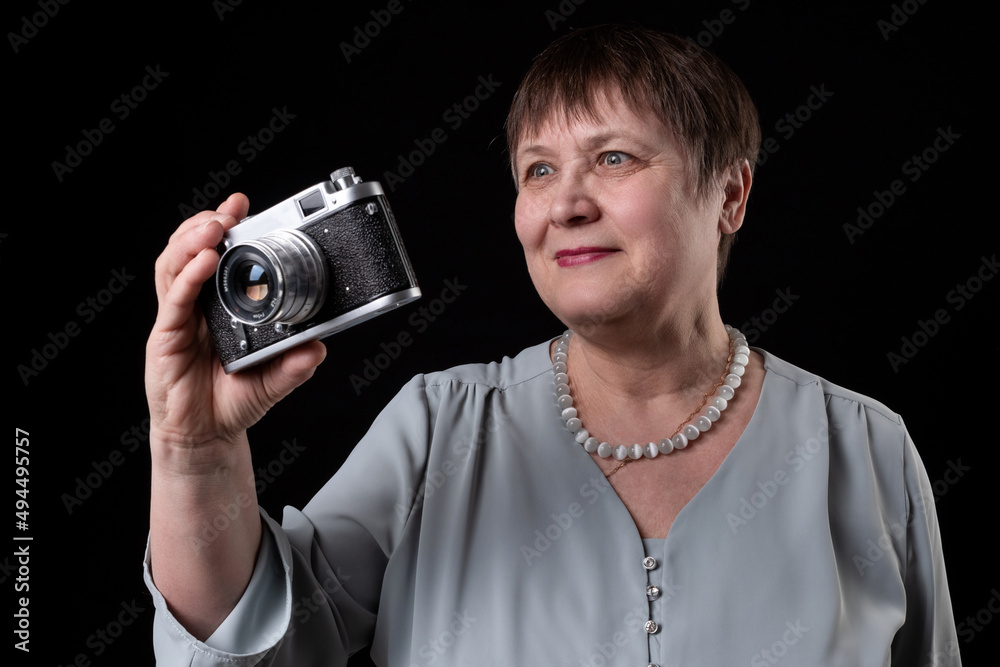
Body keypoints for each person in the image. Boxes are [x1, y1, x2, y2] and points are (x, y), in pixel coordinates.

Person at [143, 25, 961, 666]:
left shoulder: (865, 448)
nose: (564, 203)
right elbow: (246, 650)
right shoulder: (438, 432)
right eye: (537, 170)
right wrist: (193, 448)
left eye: (612, 157)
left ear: (730, 193)